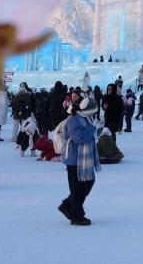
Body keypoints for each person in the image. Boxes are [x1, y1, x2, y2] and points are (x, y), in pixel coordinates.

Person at [58, 97, 100, 226]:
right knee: (77, 189)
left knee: (87, 183)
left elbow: (90, 135)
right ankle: (77, 216)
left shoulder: (85, 117)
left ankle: (67, 206)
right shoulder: (73, 119)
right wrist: (93, 128)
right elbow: (79, 138)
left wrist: (98, 128)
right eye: (93, 112)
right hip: (74, 159)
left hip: (84, 159)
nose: (93, 115)